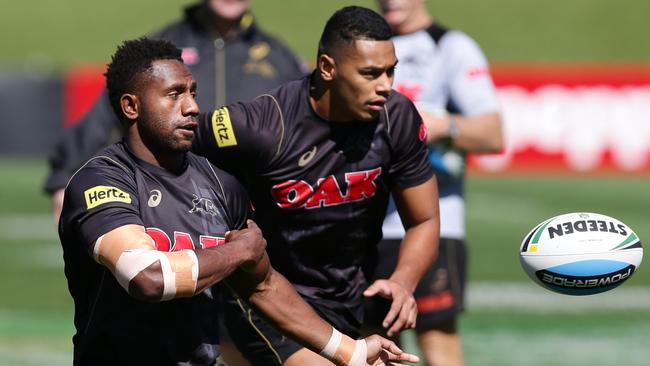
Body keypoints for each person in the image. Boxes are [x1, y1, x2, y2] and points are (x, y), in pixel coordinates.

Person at [59, 37, 419, 366]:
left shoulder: (220, 184)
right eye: (174, 94)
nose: (192, 107)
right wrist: (236, 253)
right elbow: (148, 277)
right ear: (131, 106)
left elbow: (262, 286)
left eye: (193, 92)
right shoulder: (102, 181)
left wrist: (352, 352)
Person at [191, 6, 440, 365]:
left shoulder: (396, 118)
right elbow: (170, 141)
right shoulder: (263, 124)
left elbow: (424, 220)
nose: (386, 86)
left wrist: (403, 281)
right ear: (327, 68)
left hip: (353, 298)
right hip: (268, 298)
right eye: (371, 74)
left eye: (390, 71)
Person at [45, 0, 306, 223]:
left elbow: (306, 128)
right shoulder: (164, 48)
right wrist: (65, 176)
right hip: (172, 202)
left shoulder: (279, 58)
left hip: (255, 207)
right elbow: (108, 111)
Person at [366, 1, 505, 365]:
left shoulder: (450, 46)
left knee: (437, 343)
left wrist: (441, 126)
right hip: (365, 225)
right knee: (371, 346)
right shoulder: (363, 45)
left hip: (434, 225)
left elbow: (493, 133)